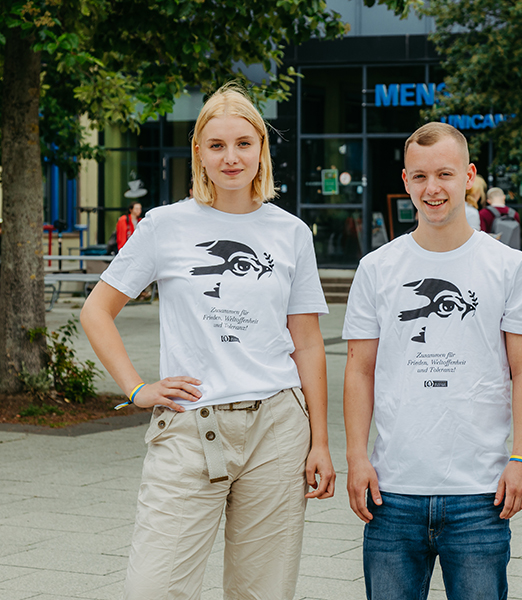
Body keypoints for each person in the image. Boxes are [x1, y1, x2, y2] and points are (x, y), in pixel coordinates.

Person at [80, 84, 336, 599]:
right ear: (198, 151)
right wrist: (136, 389)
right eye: (216, 145)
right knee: (153, 588)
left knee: (260, 592)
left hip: (277, 429)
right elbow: (96, 311)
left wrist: (322, 442)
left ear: (262, 148)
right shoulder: (165, 225)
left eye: (244, 143)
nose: (231, 157)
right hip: (188, 430)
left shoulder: (291, 233)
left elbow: (307, 343)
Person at [343, 122, 522, 600]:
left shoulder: (508, 266)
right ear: (406, 180)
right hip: (392, 492)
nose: (432, 188)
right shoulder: (377, 268)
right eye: (419, 177)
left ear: (469, 176)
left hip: (480, 492)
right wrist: (355, 457)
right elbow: (358, 369)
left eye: (445, 174)